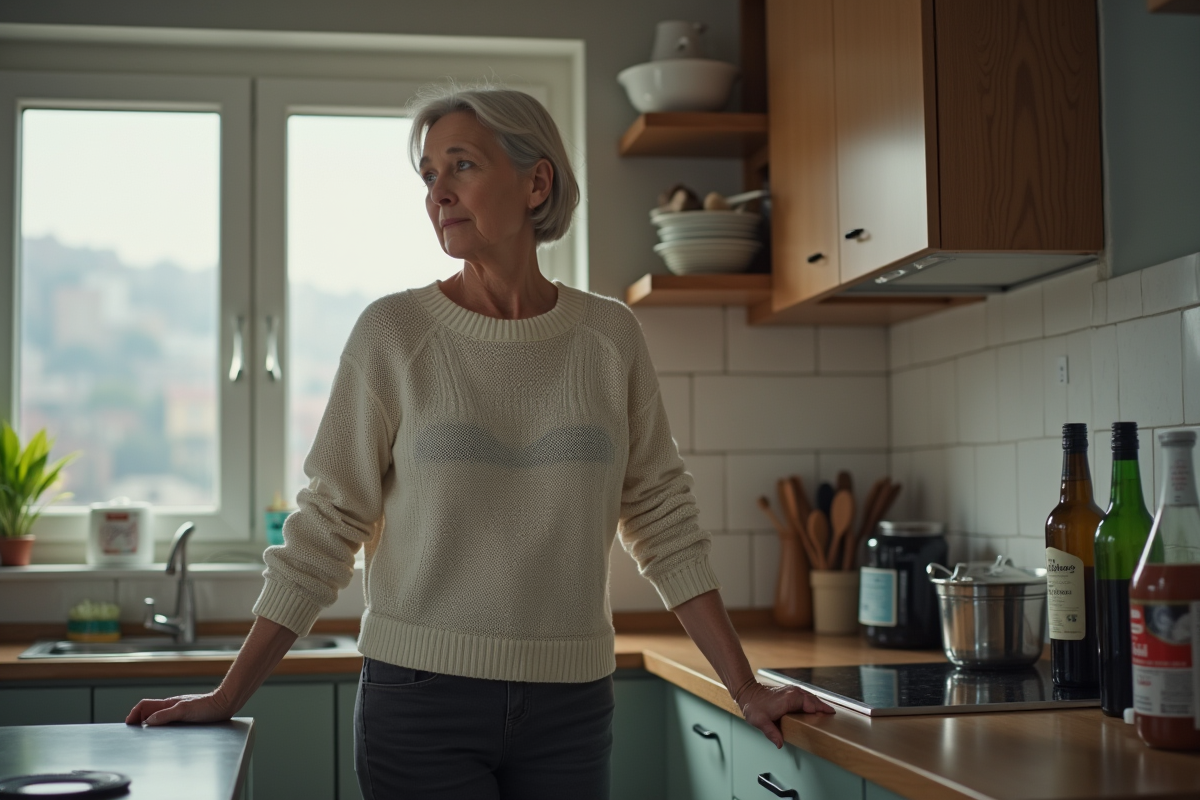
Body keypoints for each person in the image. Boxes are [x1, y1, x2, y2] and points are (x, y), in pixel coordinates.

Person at [126, 86, 833, 799]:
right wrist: (226, 695)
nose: (438, 192)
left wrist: (746, 690)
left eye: (460, 165)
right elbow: (326, 527)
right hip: (419, 703)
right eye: (428, 174)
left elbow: (661, 519)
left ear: (536, 181)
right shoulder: (394, 335)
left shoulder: (608, 338)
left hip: (572, 703)